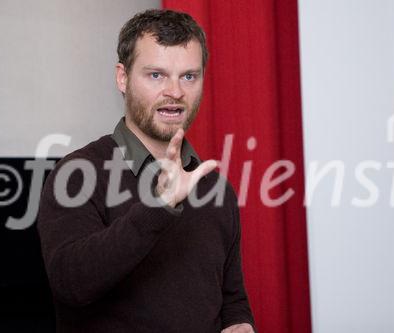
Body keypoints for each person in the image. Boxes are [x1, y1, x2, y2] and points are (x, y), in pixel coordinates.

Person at [37, 9, 256, 333]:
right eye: (156, 75)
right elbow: (71, 284)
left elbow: (232, 299)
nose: (175, 92)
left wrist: (240, 322)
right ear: (122, 78)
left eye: (189, 76)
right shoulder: (77, 175)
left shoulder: (215, 189)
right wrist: (159, 206)